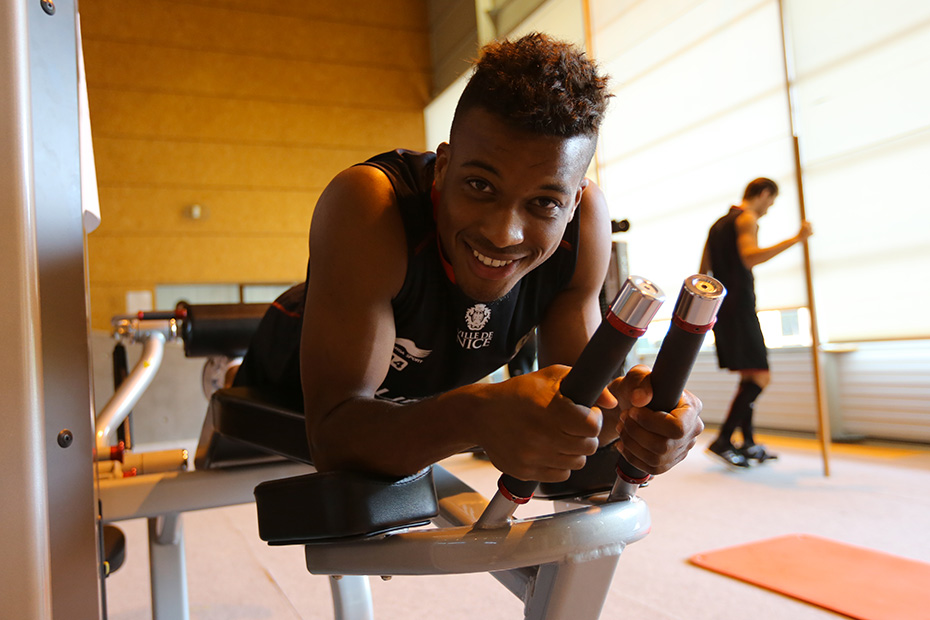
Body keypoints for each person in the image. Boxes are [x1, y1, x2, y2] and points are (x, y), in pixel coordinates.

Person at [234, 33, 703, 483]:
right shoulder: (372, 204)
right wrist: (477, 412)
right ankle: (229, 369)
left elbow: (577, 412)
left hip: (426, 382)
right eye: (480, 185)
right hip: (289, 369)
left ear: (575, 201)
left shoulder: (583, 227)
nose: (503, 234)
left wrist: (636, 418)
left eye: (544, 202)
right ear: (443, 167)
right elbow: (332, 438)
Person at [700, 178, 813, 468]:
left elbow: (703, 270)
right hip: (740, 307)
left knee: (749, 377)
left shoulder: (717, 225)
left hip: (724, 307)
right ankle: (723, 440)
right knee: (762, 376)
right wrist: (796, 239)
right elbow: (750, 257)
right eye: (771, 202)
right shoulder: (747, 218)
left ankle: (748, 443)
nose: (769, 208)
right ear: (764, 194)